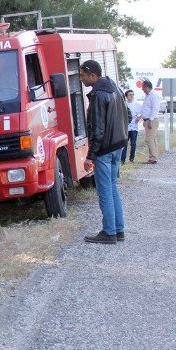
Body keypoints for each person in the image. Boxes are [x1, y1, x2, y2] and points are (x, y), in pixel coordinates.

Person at [79, 60, 128, 244]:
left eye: (83, 75)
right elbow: (127, 115)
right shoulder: (114, 88)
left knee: (105, 191)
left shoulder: (99, 95)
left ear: (93, 75)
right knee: (113, 188)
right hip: (118, 145)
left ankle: (109, 232)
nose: (81, 79)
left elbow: (97, 129)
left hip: (105, 149)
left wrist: (90, 156)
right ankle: (118, 229)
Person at [137, 79, 161, 164]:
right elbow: (146, 109)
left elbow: (155, 108)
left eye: (143, 87)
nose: (142, 89)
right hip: (147, 120)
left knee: (149, 139)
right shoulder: (148, 96)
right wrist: (140, 117)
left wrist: (150, 120)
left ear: (147, 87)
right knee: (152, 139)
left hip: (152, 120)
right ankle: (153, 157)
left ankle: (153, 157)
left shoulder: (154, 95)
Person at [122, 90, 142, 164]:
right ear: (126, 96)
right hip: (126, 127)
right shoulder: (124, 104)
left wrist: (139, 117)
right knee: (124, 144)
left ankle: (131, 159)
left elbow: (142, 111)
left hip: (134, 127)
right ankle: (122, 160)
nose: (131, 96)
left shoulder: (136, 104)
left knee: (133, 143)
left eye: (132, 94)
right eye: (130, 95)